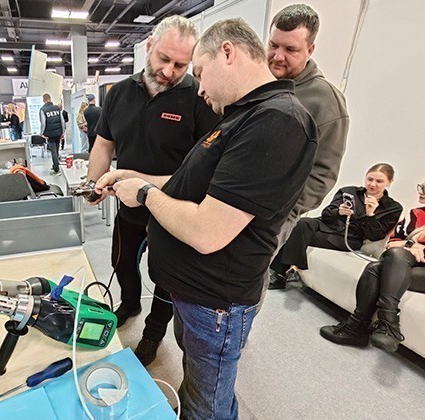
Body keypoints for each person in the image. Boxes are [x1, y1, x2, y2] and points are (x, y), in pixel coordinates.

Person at [95, 18, 317, 418]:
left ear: (227, 53)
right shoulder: (244, 115)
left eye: (198, 71)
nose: (198, 87)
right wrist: (133, 176)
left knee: (206, 407)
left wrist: (143, 194)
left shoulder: (277, 121)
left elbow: (207, 231)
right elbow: (188, 185)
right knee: (200, 387)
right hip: (195, 294)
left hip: (216, 301)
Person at [85, 15, 220, 367]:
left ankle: (153, 334)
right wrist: (93, 183)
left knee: (165, 279)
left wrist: (142, 182)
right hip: (128, 207)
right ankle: (129, 303)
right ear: (149, 46)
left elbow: (203, 170)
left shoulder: (199, 99)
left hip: (174, 211)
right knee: (121, 261)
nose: (169, 71)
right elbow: (104, 144)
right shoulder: (119, 93)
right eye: (164, 59)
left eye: (180, 65)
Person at [264, 3, 350, 292]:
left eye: (290, 49)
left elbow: (323, 173)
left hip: (272, 218)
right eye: (273, 45)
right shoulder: (261, 82)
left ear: (310, 49)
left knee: (244, 285)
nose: (277, 56)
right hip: (235, 204)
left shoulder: (325, 101)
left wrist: (285, 212)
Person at [320, 182, 425, 352]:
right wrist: (411, 244)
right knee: (376, 267)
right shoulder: (415, 214)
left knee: (380, 268)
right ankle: (384, 323)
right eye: (421, 187)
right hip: (402, 263)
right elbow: (392, 244)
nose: (421, 191)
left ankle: (358, 328)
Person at [269, 163, 403, 288]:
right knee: (301, 223)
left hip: (348, 238)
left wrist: (370, 215)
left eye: (379, 181)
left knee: (295, 234)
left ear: (389, 182)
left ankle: (282, 273)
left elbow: (375, 236)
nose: (372, 184)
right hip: (327, 225)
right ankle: (293, 269)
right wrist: (338, 211)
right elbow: (326, 214)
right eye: (370, 179)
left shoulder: (393, 208)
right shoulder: (348, 191)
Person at [39, 93, 65, 175]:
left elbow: (43, 123)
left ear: (44, 100)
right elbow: (62, 120)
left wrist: (41, 133)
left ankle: (56, 168)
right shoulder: (57, 108)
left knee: (53, 150)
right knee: (56, 149)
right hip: (58, 132)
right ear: (50, 99)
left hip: (49, 133)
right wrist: (63, 132)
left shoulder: (43, 110)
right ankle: (55, 164)